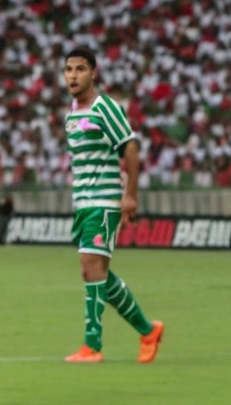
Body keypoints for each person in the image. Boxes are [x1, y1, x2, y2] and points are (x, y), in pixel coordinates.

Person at [59, 47, 165, 364]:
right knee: (94, 271)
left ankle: (93, 345)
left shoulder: (106, 107)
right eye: (68, 69)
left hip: (104, 201)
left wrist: (130, 194)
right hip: (83, 202)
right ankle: (147, 330)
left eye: (80, 69)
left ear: (94, 73)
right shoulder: (72, 115)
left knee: (92, 268)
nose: (73, 75)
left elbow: (130, 147)